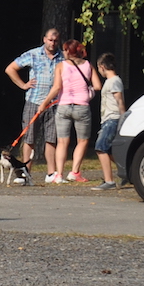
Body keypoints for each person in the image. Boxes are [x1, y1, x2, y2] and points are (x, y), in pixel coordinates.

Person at [37, 38, 101, 183]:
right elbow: (97, 86)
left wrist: (45, 103)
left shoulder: (60, 66)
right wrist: (89, 92)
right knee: (82, 140)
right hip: (81, 106)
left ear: (67, 51)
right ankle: (74, 172)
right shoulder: (88, 65)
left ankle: (59, 174)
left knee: (62, 141)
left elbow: (56, 87)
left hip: (64, 106)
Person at [5, 28, 62, 184]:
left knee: (51, 138)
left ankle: (51, 173)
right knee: (29, 138)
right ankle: (25, 173)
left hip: (54, 103)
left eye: (56, 40)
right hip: (34, 101)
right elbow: (10, 69)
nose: (53, 43)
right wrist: (23, 85)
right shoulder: (33, 54)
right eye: (50, 40)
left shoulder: (63, 57)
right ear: (44, 39)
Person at [94, 53, 126, 190]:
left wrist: (123, 118)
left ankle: (109, 181)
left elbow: (120, 101)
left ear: (102, 67)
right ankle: (127, 171)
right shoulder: (110, 81)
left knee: (100, 148)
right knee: (109, 150)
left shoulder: (114, 81)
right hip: (108, 119)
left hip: (112, 119)